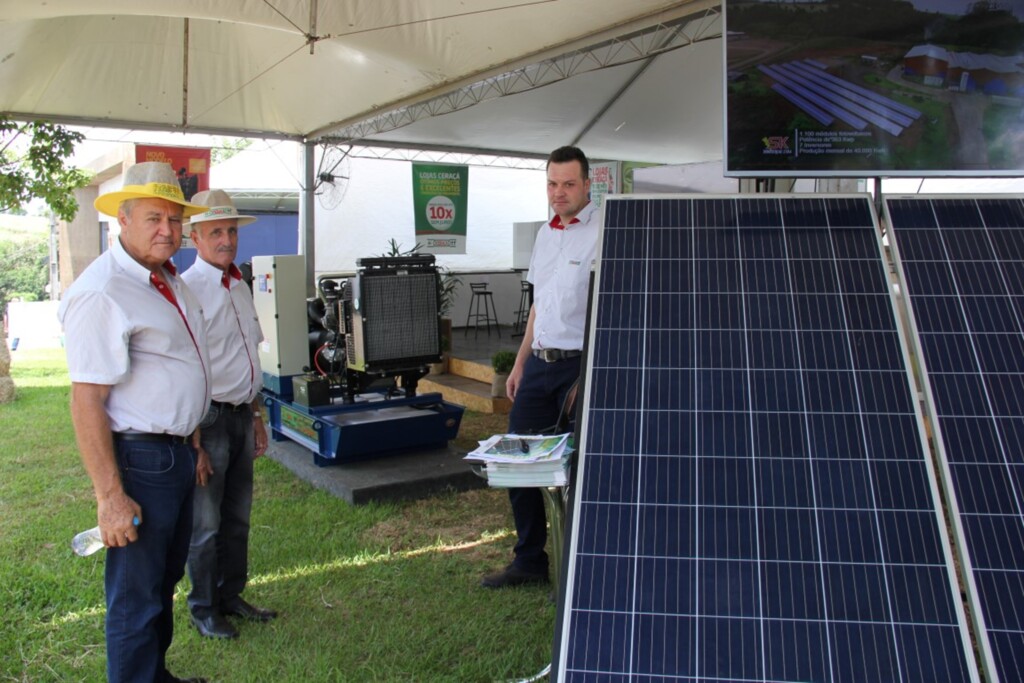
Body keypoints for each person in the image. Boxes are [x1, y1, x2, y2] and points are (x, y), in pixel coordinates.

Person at [57, 162, 212, 683]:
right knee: (136, 594)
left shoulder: (165, 276)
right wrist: (109, 497)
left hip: (174, 453)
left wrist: (194, 437)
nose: (166, 229)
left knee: (163, 580)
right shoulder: (104, 291)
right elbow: (86, 401)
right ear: (121, 221)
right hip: (142, 459)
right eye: (152, 218)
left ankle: (155, 675)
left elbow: (176, 364)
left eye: (173, 218)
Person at [481, 146, 599, 588]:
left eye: (569, 184)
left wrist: (593, 371)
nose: (559, 193)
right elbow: (538, 306)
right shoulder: (546, 235)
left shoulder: (604, 231)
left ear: (588, 184)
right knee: (518, 460)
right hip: (540, 366)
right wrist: (519, 363)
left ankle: (584, 560)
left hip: (580, 367)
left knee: (581, 465)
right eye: (552, 184)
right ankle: (529, 561)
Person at [181, 189, 276, 639]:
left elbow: (247, 354)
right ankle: (203, 608)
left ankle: (230, 594)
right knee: (205, 524)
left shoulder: (239, 284)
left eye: (231, 231)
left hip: (240, 415)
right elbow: (187, 368)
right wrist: (194, 439)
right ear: (195, 238)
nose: (226, 240)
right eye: (216, 231)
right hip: (210, 422)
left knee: (237, 517)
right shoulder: (188, 290)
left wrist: (256, 415)